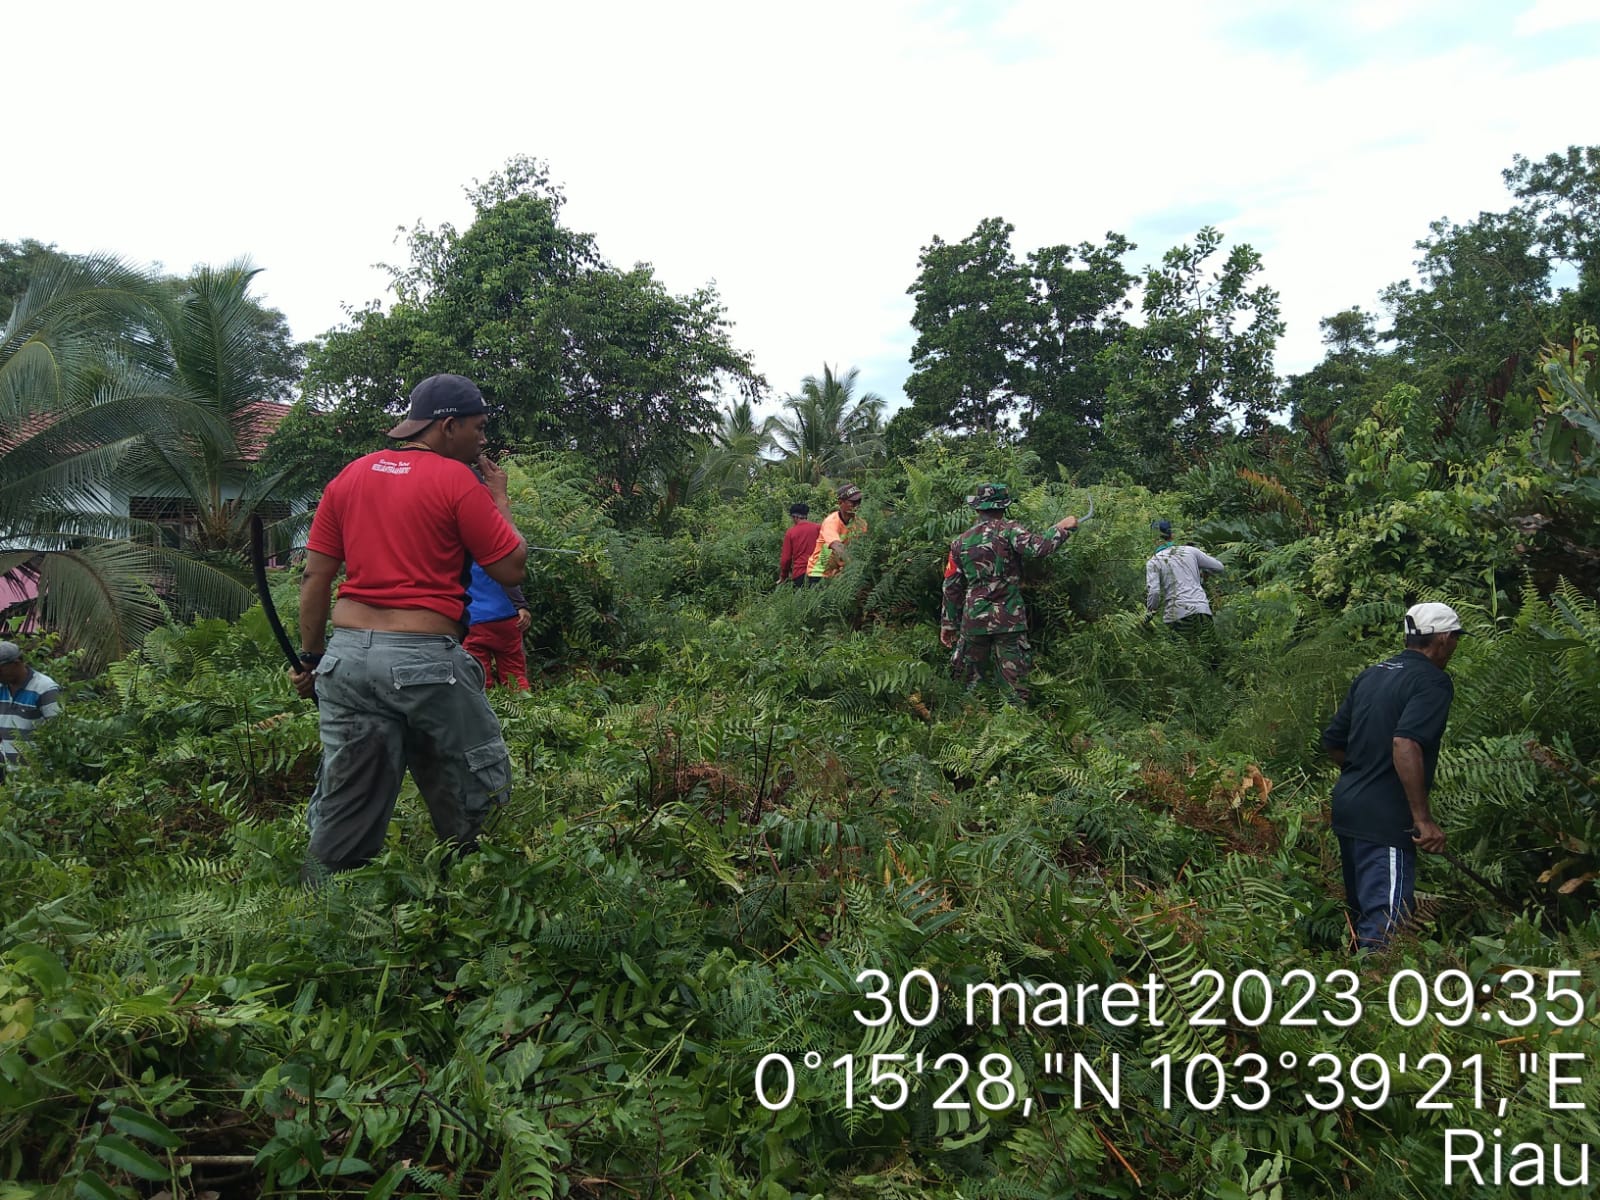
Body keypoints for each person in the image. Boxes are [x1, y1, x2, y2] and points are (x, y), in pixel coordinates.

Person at [290, 373, 528, 876]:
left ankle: (327, 912)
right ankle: (480, 891)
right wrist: (500, 500)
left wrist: (312, 659)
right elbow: (510, 568)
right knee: (479, 792)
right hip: (425, 659)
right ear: (447, 427)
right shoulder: (456, 480)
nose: (483, 440)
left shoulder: (349, 477)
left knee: (347, 798)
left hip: (346, 659)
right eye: (478, 428)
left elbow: (315, 578)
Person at [1321, 602, 1463, 951]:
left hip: (1349, 809)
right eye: (1456, 638)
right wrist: (1423, 819)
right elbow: (1405, 742)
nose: (1455, 646)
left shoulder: (1373, 674)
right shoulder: (1432, 681)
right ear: (1443, 639)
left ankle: (1349, 993)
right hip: (1385, 822)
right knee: (1386, 929)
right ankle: (1374, 999)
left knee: (1362, 921)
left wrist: (1366, 772)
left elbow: (1333, 742)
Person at [940, 483, 1078, 704]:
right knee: (1015, 686)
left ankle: (963, 724)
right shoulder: (1010, 531)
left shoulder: (960, 542)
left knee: (966, 683)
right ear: (1004, 507)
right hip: (1009, 619)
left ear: (977, 509)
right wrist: (1062, 528)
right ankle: (1015, 728)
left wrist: (948, 624)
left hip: (974, 619)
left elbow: (951, 586)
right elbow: (1039, 548)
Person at [1145, 519, 1224, 634]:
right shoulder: (1191, 552)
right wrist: (1203, 572)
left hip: (1176, 615)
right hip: (1201, 610)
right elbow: (1219, 567)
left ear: (1154, 539)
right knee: (1207, 649)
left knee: (1183, 650)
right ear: (1172, 535)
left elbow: (1154, 591)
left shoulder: (1154, 562)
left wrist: (1150, 612)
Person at [0, 640, 62, 782]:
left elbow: (59, 733)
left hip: (38, 777)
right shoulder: (1, 687)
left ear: (16, 663)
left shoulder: (45, 689)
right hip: (9, 777)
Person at [465, 561, 532, 690]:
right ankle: (522, 706)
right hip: (505, 615)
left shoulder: (456, 555)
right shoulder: (494, 553)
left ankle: (483, 707)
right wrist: (521, 605)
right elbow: (509, 579)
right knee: (514, 673)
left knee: (478, 675)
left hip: (473, 620)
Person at [805, 484, 867, 582]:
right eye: (853, 502)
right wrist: (853, 567)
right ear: (840, 502)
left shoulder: (860, 524)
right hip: (818, 572)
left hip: (837, 574)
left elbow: (862, 547)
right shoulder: (831, 522)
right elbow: (838, 547)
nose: (857, 506)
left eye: (859, 502)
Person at [778, 502, 822, 587]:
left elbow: (786, 559)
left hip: (800, 574)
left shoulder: (791, 532)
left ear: (795, 517)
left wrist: (784, 576)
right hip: (818, 572)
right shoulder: (818, 528)